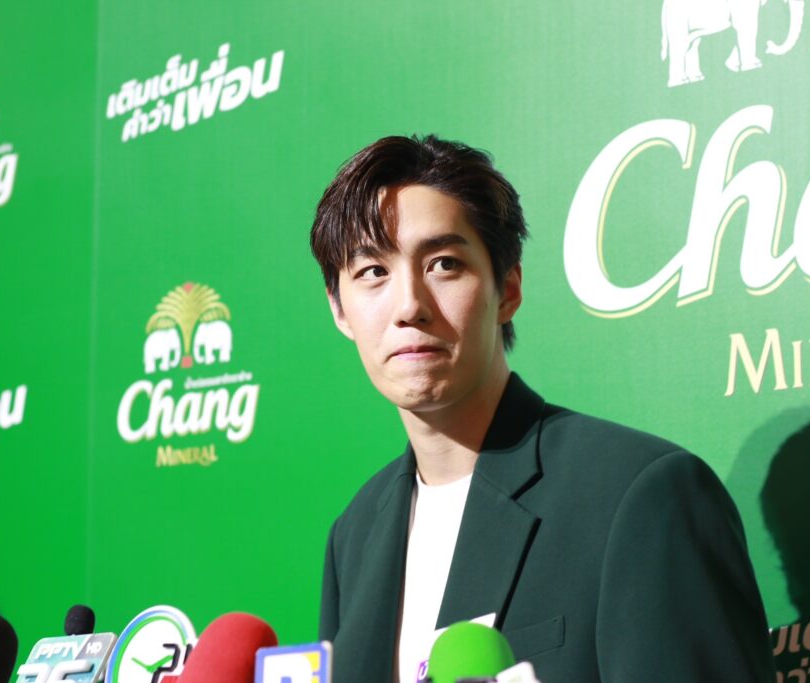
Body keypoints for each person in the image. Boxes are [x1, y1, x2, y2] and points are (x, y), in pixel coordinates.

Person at [311, 134, 776, 682]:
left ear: (507, 289)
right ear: (339, 310)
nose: (409, 305)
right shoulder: (355, 536)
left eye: (443, 264)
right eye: (373, 272)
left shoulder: (640, 495)